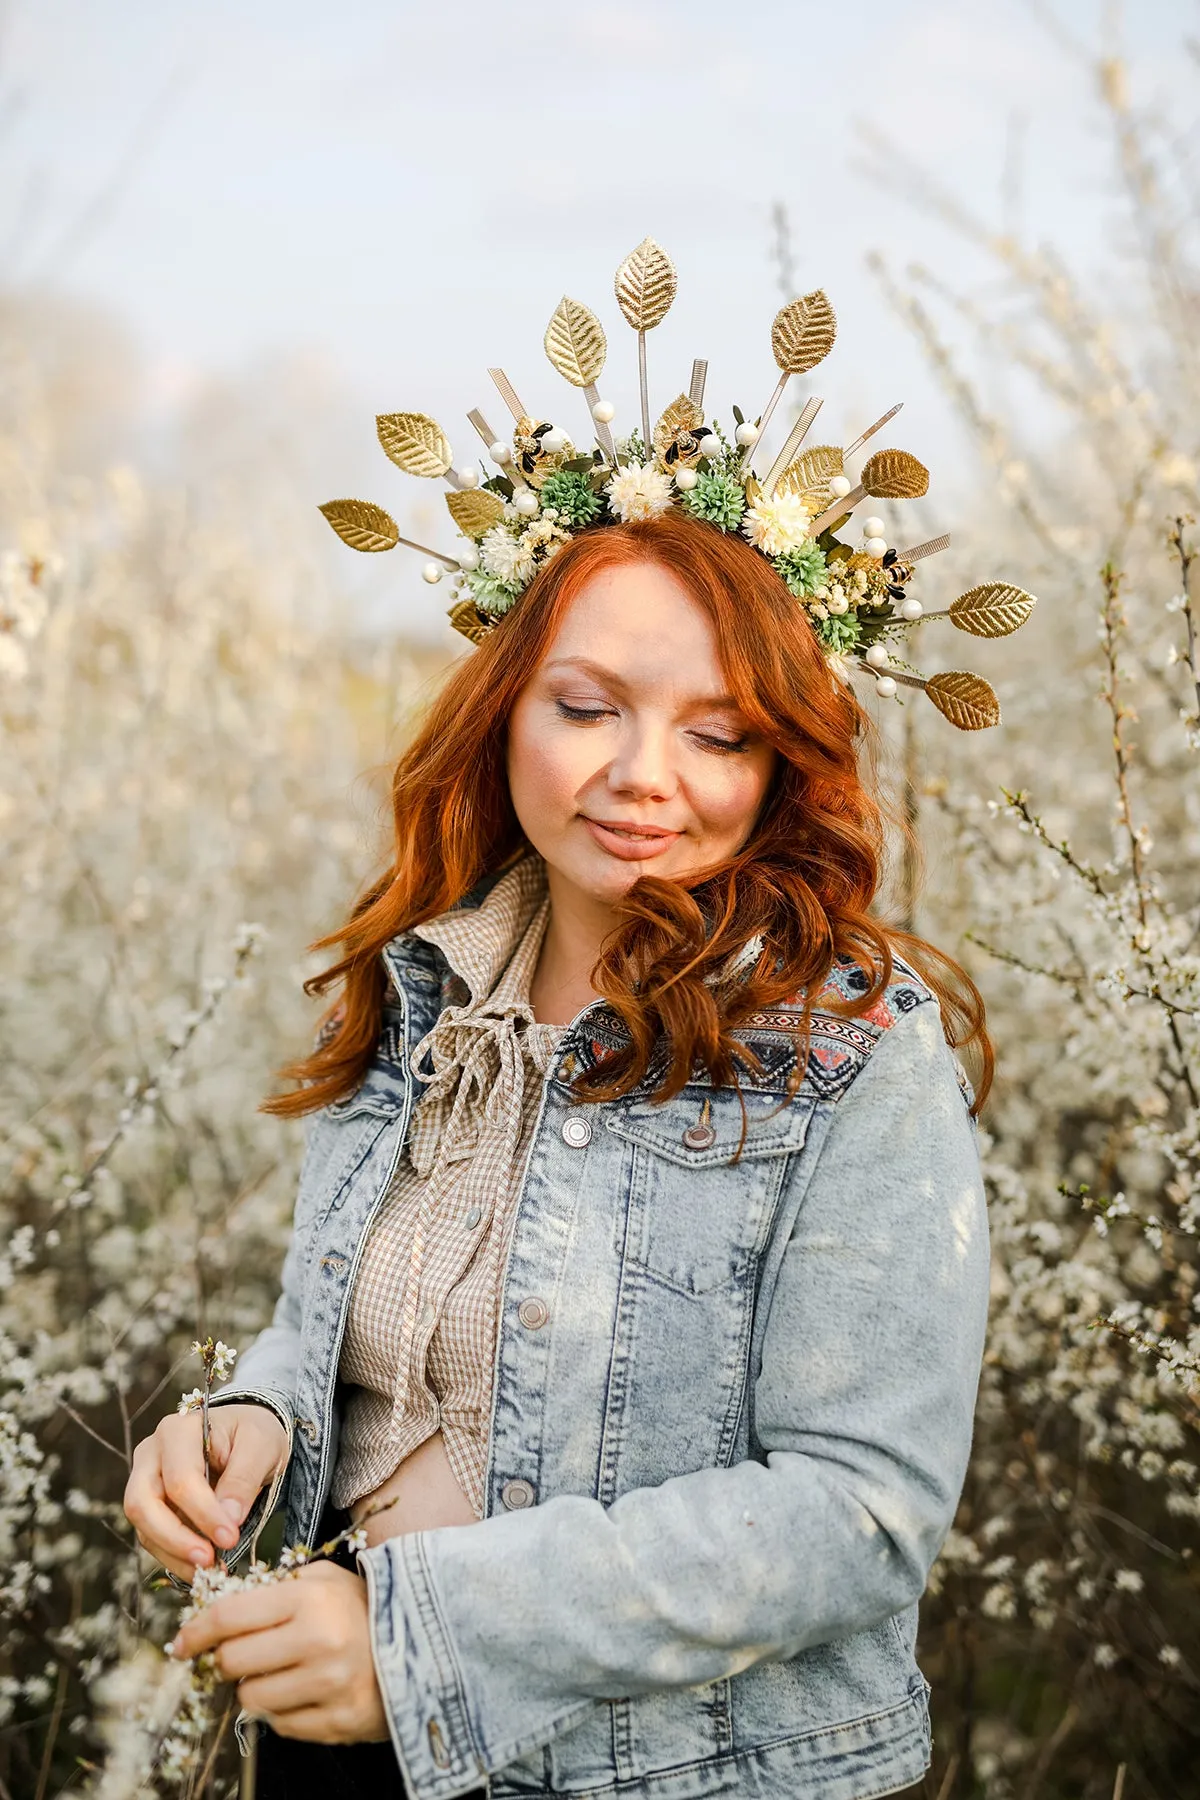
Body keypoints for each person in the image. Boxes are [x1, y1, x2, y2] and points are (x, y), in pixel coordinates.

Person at [124, 243, 1027, 1800]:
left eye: (717, 731)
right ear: (507, 708)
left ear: (781, 761)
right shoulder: (427, 992)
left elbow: (859, 1512)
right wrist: (252, 1419)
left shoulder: (850, 1051)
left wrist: (419, 1631)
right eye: (588, 705)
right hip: (346, 1747)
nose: (640, 776)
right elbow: (357, 1332)